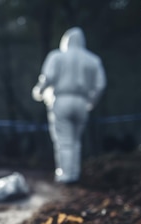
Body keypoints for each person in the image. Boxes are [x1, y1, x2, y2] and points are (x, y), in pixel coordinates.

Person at [32, 27, 106, 184]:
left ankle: (66, 176)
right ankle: (75, 173)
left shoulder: (57, 57)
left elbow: (48, 77)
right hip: (82, 102)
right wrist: (92, 101)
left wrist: (39, 90)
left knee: (64, 140)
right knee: (76, 140)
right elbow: (100, 84)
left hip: (62, 100)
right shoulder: (93, 60)